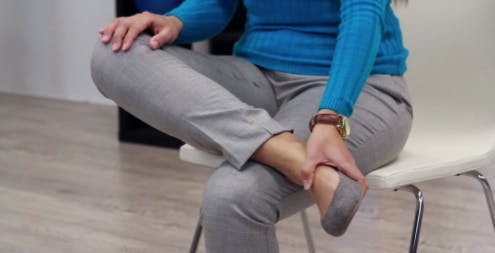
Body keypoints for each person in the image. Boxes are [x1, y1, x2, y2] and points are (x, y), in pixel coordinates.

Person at [91, 0, 413, 252]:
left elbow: (364, 13)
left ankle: (271, 145)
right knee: (114, 53)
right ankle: (289, 153)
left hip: (354, 89)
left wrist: (330, 117)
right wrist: (174, 22)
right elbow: (217, 4)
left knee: (230, 197)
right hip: (257, 77)